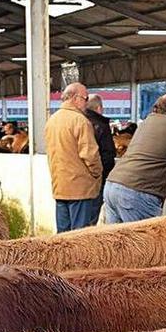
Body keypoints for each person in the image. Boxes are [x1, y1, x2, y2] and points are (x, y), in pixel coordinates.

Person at [104, 93, 166, 223]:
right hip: (138, 192)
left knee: (116, 242)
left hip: (112, 185)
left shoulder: (146, 122)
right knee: (146, 242)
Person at [44, 82, 103, 232]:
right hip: (80, 189)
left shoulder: (52, 120)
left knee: (62, 235)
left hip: (60, 186)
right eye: (85, 98)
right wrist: (98, 173)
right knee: (79, 237)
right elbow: (90, 155)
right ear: (76, 98)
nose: (86, 102)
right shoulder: (80, 121)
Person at [84, 94, 116, 224]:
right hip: (96, 180)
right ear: (99, 108)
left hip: (77, 180)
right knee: (91, 219)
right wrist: (102, 174)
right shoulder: (101, 125)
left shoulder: (80, 121)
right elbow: (107, 154)